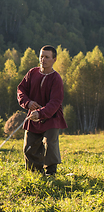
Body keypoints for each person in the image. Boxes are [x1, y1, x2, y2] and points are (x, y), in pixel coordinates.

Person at [17, 45, 67, 176]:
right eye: (41, 56)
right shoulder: (32, 73)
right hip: (32, 115)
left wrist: (40, 113)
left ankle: (51, 173)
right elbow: (21, 90)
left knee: (50, 144)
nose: (43, 60)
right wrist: (28, 103)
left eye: (47, 57)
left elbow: (55, 102)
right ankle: (35, 173)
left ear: (54, 59)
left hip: (51, 117)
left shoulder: (56, 78)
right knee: (29, 146)